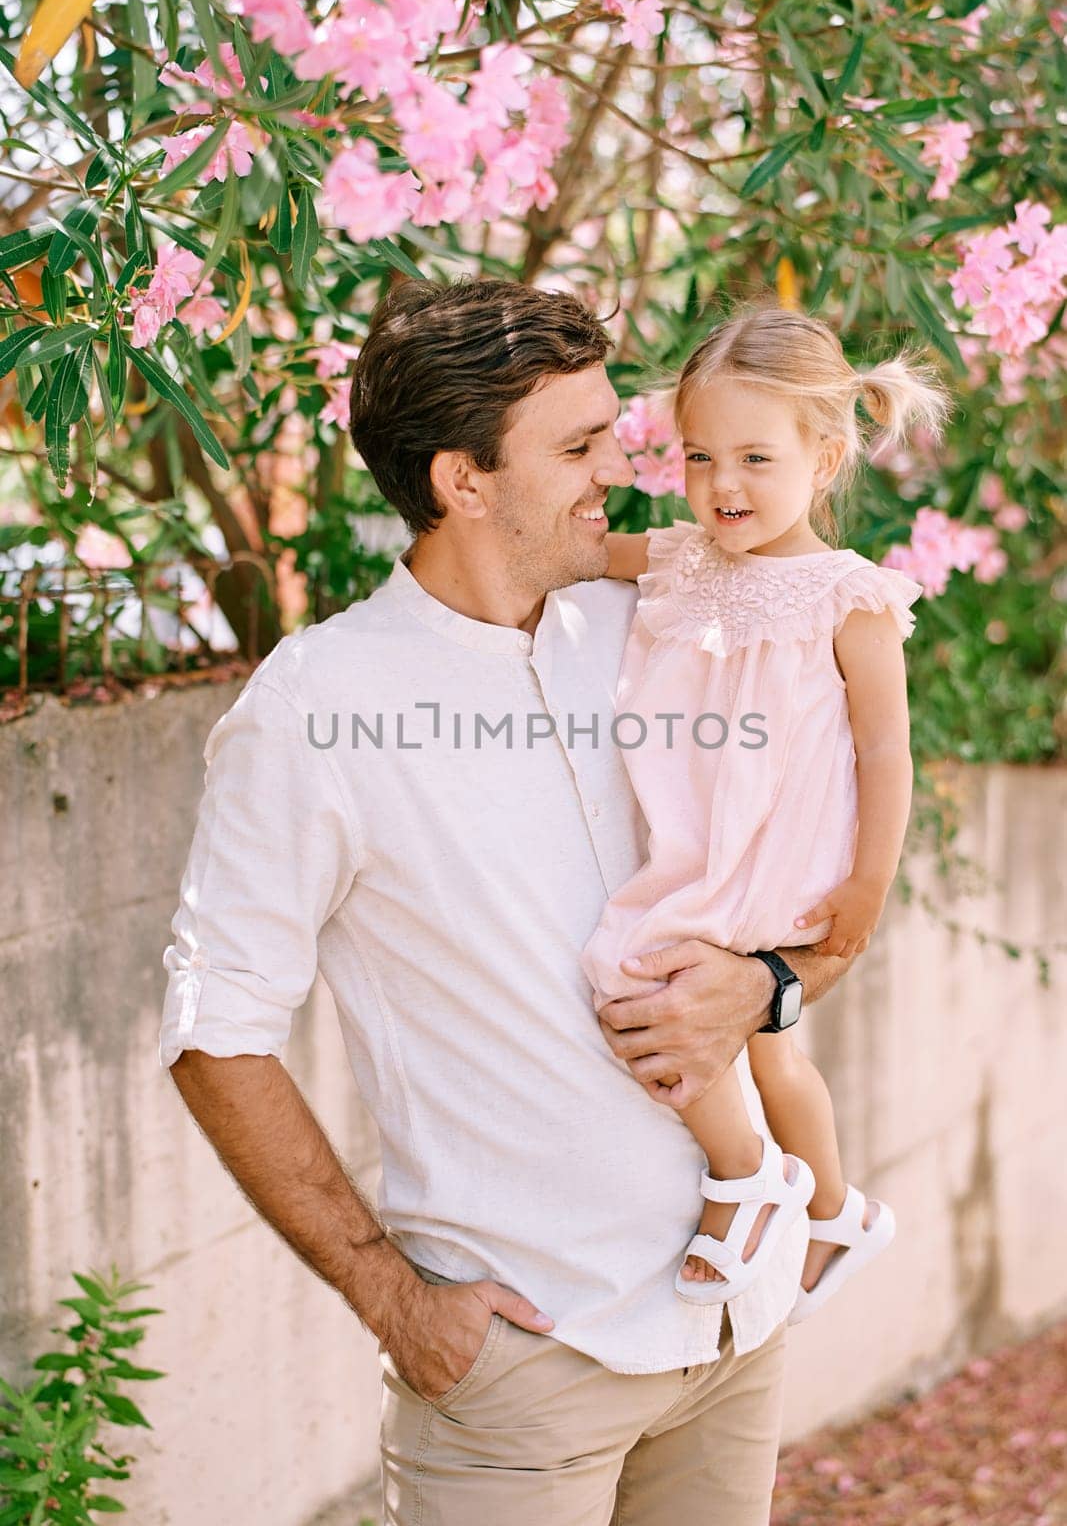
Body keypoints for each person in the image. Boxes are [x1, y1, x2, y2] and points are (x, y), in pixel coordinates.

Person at [160, 279, 853, 1526]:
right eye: (578, 445)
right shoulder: (316, 706)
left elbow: (810, 851)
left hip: (729, 1334)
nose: (619, 468)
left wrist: (770, 982)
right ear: (461, 481)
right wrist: (390, 1294)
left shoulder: (665, 617)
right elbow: (217, 1030)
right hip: (527, 1364)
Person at [584, 307, 948, 1318]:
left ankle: (743, 1178)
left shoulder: (847, 596)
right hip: (708, 848)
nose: (722, 485)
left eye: (754, 456)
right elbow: (573, 554)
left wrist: (866, 883)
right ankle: (832, 1208)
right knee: (772, 1051)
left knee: (634, 977)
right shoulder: (676, 559)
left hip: (783, 861)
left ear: (822, 459)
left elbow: (884, 749)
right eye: (700, 457)